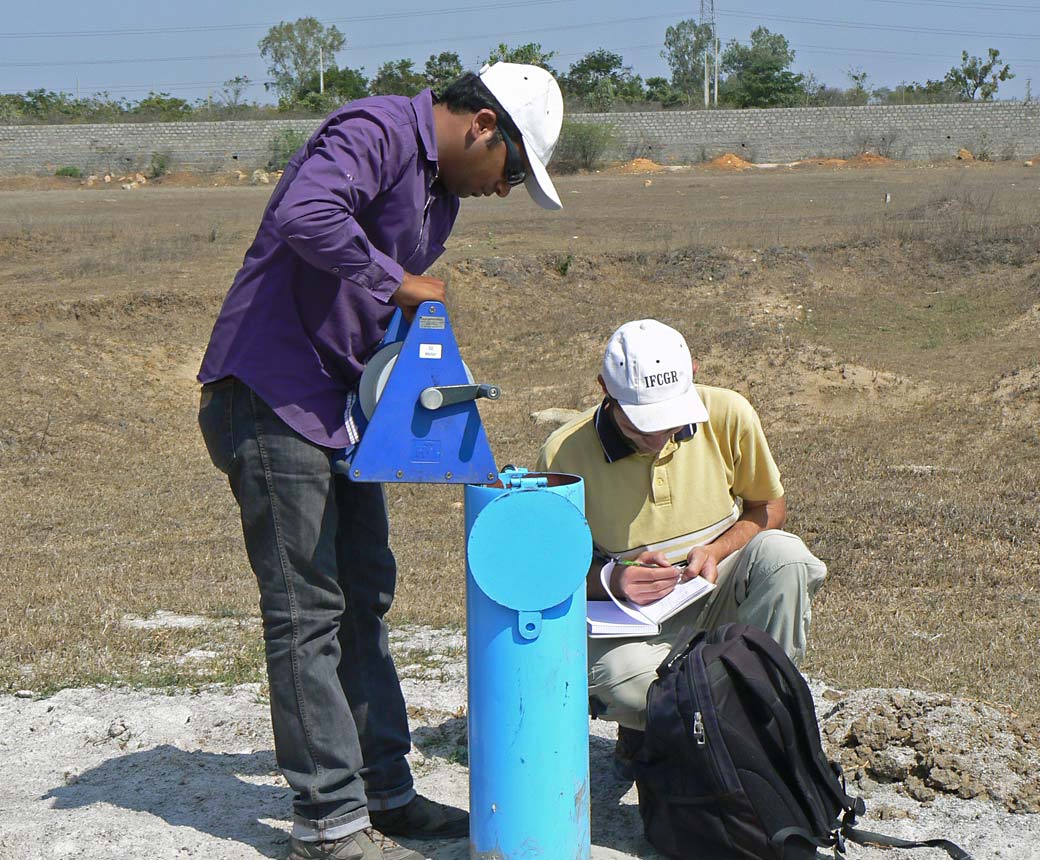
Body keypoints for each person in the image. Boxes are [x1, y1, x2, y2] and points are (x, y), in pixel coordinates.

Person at [197, 64, 564, 860]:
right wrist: (398, 282)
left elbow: (376, 315)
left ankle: (385, 795)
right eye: (515, 170)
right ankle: (328, 824)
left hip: (337, 412)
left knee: (365, 596)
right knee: (307, 614)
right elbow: (305, 213)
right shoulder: (374, 133)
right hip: (270, 397)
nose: (508, 190)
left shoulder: (444, 192)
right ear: (484, 127)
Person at [536, 319, 827, 779]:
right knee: (622, 686)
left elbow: (768, 508)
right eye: (642, 421)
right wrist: (613, 579)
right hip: (632, 624)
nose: (659, 435)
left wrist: (716, 549)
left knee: (786, 559)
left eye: (669, 417)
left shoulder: (728, 413)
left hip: (717, 587)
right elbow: (546, 569)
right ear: (603, 391)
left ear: (693, 372)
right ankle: (670, 729)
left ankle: (759, 718)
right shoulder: (562, 454)